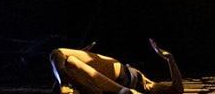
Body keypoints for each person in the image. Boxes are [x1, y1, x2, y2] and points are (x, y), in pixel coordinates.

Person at [52, 38, 183, 94]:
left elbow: (178, 89)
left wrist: (169, 58)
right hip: (120, 80)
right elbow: (178, 89)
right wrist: (169, 58)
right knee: (68, 61)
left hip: (123, 76)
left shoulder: (155, 89)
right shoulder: (154, 86)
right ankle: (63, 83)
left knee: (58, 54)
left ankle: (63, 83)